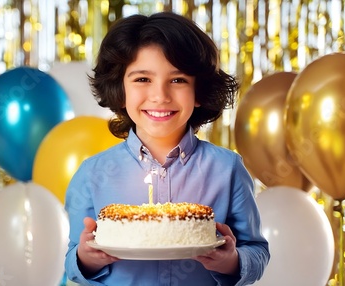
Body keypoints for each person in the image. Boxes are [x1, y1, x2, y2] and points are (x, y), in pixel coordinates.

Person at [64, 11, 269, 286]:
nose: (160, 96)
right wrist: (87, 258)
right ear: (119, 90)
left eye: (178, 80)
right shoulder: (92, 173)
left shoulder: (227, 169)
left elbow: (256, 251)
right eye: (142, 79)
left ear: (199, 91)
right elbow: (72, 262)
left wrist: (231, 261)